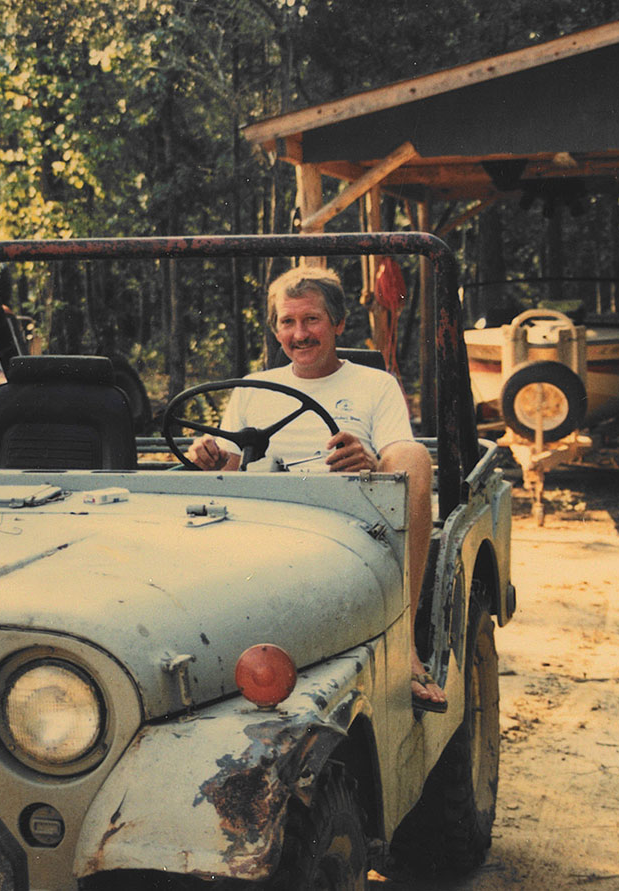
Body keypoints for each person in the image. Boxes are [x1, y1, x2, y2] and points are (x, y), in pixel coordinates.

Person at [185, 265, 444, 711]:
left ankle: (404, 642)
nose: (300, 334)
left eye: (312, 320)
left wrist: (371, 462)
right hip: (263, 520)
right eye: (288, 322)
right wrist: (206, 455)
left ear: (339, 324)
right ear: (276, 330)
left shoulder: (375, 385)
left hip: (352, 523)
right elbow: (229, 467)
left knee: (415, 457)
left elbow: (402, 462)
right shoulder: (252, 388)